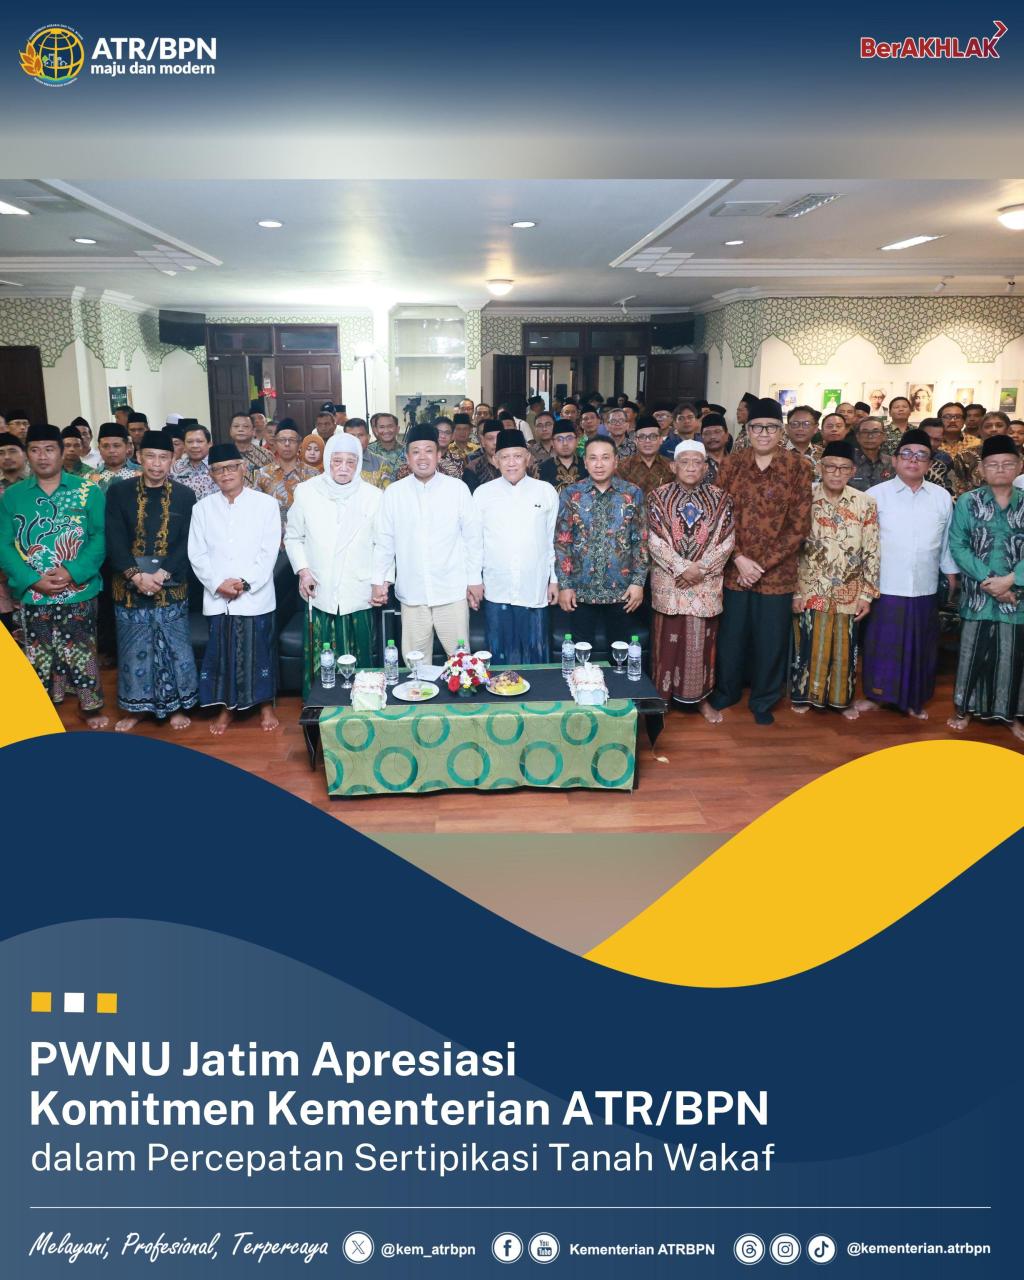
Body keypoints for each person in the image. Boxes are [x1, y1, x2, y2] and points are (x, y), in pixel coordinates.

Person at [708, 397, 812, 726]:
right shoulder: (732, 465)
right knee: (732, 637)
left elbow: (799, 526)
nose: (763, 433)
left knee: (771, 639)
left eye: (770, 427)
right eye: (757, 427)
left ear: (781, 431)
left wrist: (760, 565)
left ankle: (764, 699)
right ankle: (727, 690)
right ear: (747, 430)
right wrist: (739, 558)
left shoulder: (798, 467)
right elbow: (718, 517)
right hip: (735, 569)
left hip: (777, 573)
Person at [0, 424, 108, 727]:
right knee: (37, 653)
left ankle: (90, 707)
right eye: (35, 450)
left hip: (79, 588)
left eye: (49, 450)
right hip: (33, 591)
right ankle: (40, 707)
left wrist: (72, 571)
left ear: (62, 454)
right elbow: (3, 544)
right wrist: (32, 579)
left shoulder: (87, 490)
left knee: (82, 651)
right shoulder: (12, 496)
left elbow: (100, 537)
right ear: (27, 455)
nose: (42, 456)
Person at [854, 429, 958, 721]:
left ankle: (915, 699)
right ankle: (878, 697)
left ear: (929, 463)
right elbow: (862, 544)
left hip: (925, 585)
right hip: (885, 584)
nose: (914, 460)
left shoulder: (941, 497)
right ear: (895, 460)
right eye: (907, 454)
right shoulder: (875, 495)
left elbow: (946, 541)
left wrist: (951, 573)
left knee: (921, 645)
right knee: (882, 644)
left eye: (921, 455)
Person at [105, 430, 199, 732]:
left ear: (173, 459)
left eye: (163, 458)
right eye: (150, 457)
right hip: (129, 587)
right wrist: (136, 575)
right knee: (134, 650)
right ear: (138, 457)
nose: (157, 464)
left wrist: (161, 574)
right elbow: (114, 538)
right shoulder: (118, 492)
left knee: (174, 648)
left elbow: (187, 541)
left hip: (170, 585)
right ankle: (137, 709)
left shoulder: (185, 495)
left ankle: (176, 707)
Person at [188, 443, 281, 735]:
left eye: (231, 467)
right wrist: (218, 584)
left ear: (243, 468)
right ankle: (226, 708)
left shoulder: (266, 504)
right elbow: (197, 554)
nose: (225, 474)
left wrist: (245, 582)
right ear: (211, 474)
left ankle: (265, 705)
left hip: (255, 594)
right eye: (218, 469)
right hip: (218, 596)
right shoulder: (202, 508)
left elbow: (269, 551)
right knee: (222, 653)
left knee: (260, 650)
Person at [371, 424, 482, 663]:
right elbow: (384, 541)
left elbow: (472, 539)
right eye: (416, 452)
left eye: (429, 451)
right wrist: (379, 580)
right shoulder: (394, 493)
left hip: (451, 591)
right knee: (415, 665)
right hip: (412, 594)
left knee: (462, 663)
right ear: (407, 457)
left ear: (439, 455)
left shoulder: (457, 489)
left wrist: (474, 579)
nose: (422, 457)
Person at [285, 433, 382, 697]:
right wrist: (303, 572)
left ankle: (363, 704)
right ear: (327, 461)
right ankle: (319, 706)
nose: (343, 468)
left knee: (361, 654)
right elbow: (293, 537)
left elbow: (383, 544)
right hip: (320, 588)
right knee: (322, 656)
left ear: (358, 464)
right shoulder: (306, 491)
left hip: (358, 589)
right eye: (337, 461)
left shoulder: (373, 496)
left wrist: (381, 581)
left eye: (350, 462)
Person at [790, 441, 880, 719]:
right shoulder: (803, 497)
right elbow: (791, 547)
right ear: (820, 468)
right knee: (808, 644)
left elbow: (872, 549)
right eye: (831, 467)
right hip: (810, 585)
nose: (837, 473)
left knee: (844, 646)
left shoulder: (865, 502)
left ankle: (841, 700)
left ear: (853, 471)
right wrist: (794, 591)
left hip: (848, 588)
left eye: (843, 468)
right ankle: (805, 696)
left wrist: (866, 594)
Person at [647, 440, 735, 722]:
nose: (691, 467)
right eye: (684, 462)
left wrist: (700, 570)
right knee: (666, 644)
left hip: (704, 586)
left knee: (701, 645)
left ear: (706, 467)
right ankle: (661, 699)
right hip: (671, 583)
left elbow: (726, 541)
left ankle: (701, 700)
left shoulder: (721, 499)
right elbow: (655, 540)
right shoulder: (657, 497)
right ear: (673, 466)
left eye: (697, 462)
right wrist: (682, 569)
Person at [946, 435, 1024, 742]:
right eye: (992, 464)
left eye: (1007, 463)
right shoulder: (968, 501)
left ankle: (1010, 715)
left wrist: (1011, 580)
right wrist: (992, 581)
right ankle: (963, 710)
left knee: (1012, 656)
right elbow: (958, 545)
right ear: (981, 469)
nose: (1000, 469)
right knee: (972, 653)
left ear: (1019, 466)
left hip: (1017, 596)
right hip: (979, 595)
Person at [473, 428, 558, 664]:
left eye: (517, 456)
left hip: (535, 586)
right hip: (496, 587)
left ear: (527, 458)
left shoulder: (546, 491)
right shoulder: (482, 494)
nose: (511, 463)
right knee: (499, 657)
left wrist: (554, 580)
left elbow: (553, 539)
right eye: (505, 457)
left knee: (536, 656)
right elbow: (474, 542)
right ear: (495, 460)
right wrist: (474, 579)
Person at [555, 435, 648, 649]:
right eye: (593, 458)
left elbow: (641, 540)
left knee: (620, 654)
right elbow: (562, 542)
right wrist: (565, 585)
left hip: (622, 591)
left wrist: (638, 582)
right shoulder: (571, 494)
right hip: (580, 591)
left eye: (605, 457)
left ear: (615, 461)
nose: (599, 464)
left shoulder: (632, 493)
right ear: (585, 462)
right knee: (581, 654)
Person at [255, 418, 318, 535]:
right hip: (272, 539)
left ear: (299, 444)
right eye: (282, 440)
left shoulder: (313, 474)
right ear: (275, 443)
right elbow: (256, 510)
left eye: (292, 440)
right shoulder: (263, 474)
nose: (287, 444)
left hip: (305, 538)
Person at [950, 411, 1012, 498]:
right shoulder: (964, 456)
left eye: (999, 425)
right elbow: (958, 489)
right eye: (988, 426)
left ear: (1008, 430)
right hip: (973, 503)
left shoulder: (1019, 458)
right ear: (980, 431)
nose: (993, 429)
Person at [0, 431, 26, 630]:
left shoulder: (37, 483)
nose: (7, 456)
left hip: (34, 567)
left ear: (24, 453)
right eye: (1, 453)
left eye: (12, 451)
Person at [619, 416, 675, 495]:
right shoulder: (622, 466)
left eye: (653, 436)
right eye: (642, 437)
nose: (647, 441)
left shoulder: (671, 467)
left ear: (660, 440)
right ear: (635, 440)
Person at [171, 423, 218, 499]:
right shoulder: (175, 467)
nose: (194, 446)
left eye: (199, 441)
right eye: (190, 442)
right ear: (184, 445)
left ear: (209, 444)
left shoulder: (218, 466)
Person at [91, 422, 142, 489]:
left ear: (127, 447)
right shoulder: (89, 478)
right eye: (105, 446)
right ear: (99, 449)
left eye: (116, 446)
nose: (111, 450)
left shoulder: (143, 474)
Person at [849, 417, 895, 492]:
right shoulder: (848, 461)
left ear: (884, 436)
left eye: (875, 432)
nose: (870, 436)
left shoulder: (892, 463)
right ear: (857, 436)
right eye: (865, 432)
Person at [539, 421, 586, 492]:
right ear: (552, 443)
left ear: (577, 441)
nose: (565, 443)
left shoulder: (587, 466)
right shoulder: (542, 469)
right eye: (559, 439)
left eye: (569, 438)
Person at [366, 412, 405, 488]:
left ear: (397, 429)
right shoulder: (368, 452)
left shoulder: (408, 451)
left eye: (390, 426)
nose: (386, 430)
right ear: (376, 430)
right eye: (382, 427)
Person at [783, 405, 823, 477]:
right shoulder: (775, 453)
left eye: (806, 424)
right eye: (795, 424)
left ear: (815, 428)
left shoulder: (823, 455)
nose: (800, 428)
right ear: (787, 428)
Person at [698, 414, 731, 482]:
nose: (712, 436)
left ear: (727, 435)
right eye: (707, 433)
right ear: (701, 437)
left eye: (717, 432)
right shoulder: (696, 464)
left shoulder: (737, 463)